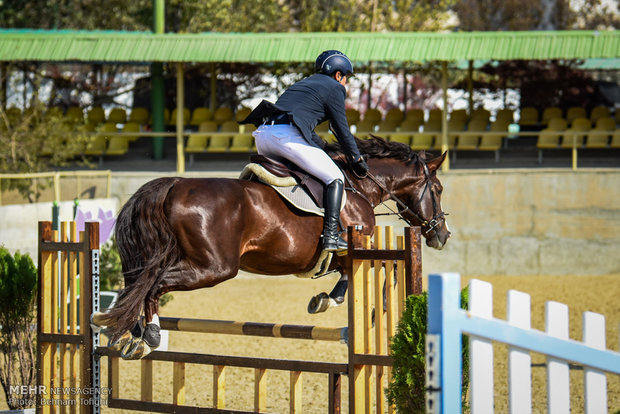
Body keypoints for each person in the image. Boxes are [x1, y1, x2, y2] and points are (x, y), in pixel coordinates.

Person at [241, 50, 368, 252]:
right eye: (346, 78)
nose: (345, 82)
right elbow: (341, 129)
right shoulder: (335, 88)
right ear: (338, 75)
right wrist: (356, 157)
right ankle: (331, 236)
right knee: (335, 177)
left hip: (264, 135)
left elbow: (304, 127)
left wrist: (324, 149)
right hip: (285, 137)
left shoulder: (303, 84)